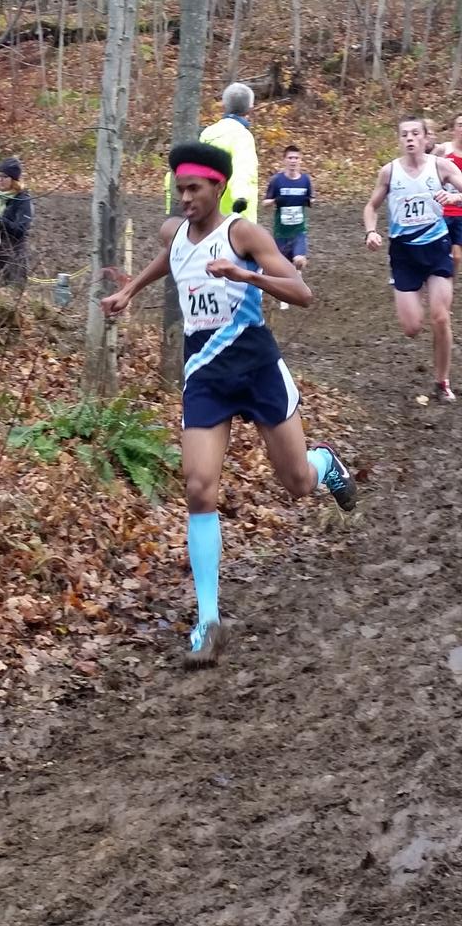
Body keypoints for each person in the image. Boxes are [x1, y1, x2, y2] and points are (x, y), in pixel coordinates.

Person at [102, 141, 357, 669]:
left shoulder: (243, 234)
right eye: (180, 189)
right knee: (198, 486)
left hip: (258, 370)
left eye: (195, 189)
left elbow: (302, 291)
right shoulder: (174, 231)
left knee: (297, 484)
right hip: (206, 376)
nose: (186, 198)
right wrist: (131, 293)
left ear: (219, 186)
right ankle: (210, 621)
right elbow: (170, 257)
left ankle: (325, 463)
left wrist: (247, 276)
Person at [363, 115, 462, 402]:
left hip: (436, 247)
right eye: (404, 134)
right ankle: (414, 296)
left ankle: (442, 381)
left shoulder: (441, 166)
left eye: (415, 133)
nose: (409, 138)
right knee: (411, 328)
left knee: (441, 317)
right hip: (403, 253)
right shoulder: (389, 173)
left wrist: (455, 199)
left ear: (424, 138)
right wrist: (371, 231)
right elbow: (371, 206)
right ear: (399, 139)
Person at [164, 82, 259, 221]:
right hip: (236, 219)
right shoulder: (242, 136)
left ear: (225, 106)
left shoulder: (207, 134)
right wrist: (241, 199)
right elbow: (243, 170)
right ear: (250, 110)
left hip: (207, 215)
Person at [263, 144, 313, 309]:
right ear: (284, 160)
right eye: (290, 158)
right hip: (281, 232)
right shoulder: (277, 180)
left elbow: (311, 199)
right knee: (282, 267)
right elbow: (265, 203)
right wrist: (276, 200)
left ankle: (296, 277)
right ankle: (286, 295)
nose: (293, 161)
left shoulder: (305, 180)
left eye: (296, 158)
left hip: (299, 230)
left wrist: (309, 201)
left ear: (300, 160)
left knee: (299, 260)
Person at [0, 157, 33, 286]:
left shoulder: (22, 200)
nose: (0, 180)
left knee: (9, 297)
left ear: (13, 180)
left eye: (4, 177)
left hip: (13, 258)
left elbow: (19, 231)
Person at [433, 113, 462, 277]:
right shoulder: (444, 149)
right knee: (439, 251)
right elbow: (426, 164)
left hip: (460, 211)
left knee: (457, 256)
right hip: (441, 210)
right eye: (460, 124)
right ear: (453, 129)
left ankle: (448, 281)